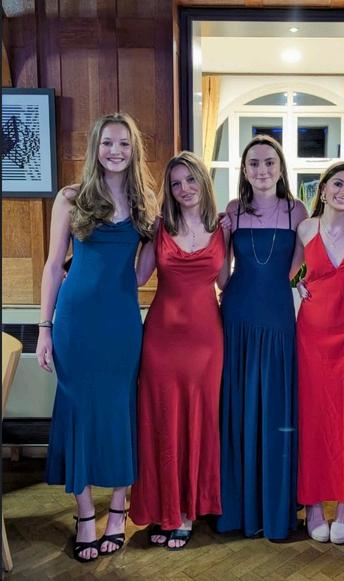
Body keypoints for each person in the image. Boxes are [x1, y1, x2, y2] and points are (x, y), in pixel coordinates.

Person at [36, 113, 158, 562]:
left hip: (121, 324)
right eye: (107, 142)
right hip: (75, 323)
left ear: (134, 149)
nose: (115, 151)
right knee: (78, 412)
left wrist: (161, 233)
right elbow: (54, 266)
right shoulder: (70, 198)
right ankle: (85, 513)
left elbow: (141, 275)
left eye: (124, 143)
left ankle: (119, 508)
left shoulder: (145, 203)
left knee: (121, 411)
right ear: (96, 147)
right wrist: (44, 328)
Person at [129, 152, 229, 550]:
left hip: (206, 342)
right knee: (161, 421)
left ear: (203, 181)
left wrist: (301, 282)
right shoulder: (159, 228)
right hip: (162, 340)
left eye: (190, 180)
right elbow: (138, 277)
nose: (184, 188)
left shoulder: (223, 227)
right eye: (175, 183)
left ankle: (186, 512)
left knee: (198, 421)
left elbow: (227, 283)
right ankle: (163, 509)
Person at [217, 135, 308, 540]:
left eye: (269, 162)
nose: (262, 170)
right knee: (238, 409)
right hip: (237, 318)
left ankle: (273, 508)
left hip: (278, 319)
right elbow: (222, 277)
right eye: (254, 163)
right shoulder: (232, 210)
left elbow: (299, 269)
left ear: (281, 167)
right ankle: (238, 509)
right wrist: (219, 236)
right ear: (244, 169)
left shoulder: (297, 211)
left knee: (274, 411)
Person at [294, 162, 344, 544]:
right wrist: (299, 284)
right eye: (338, 184)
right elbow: (292, 271)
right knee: (312, 419)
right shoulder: (305, 228)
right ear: (322, 189)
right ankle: (312, 505)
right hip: (310, 336)